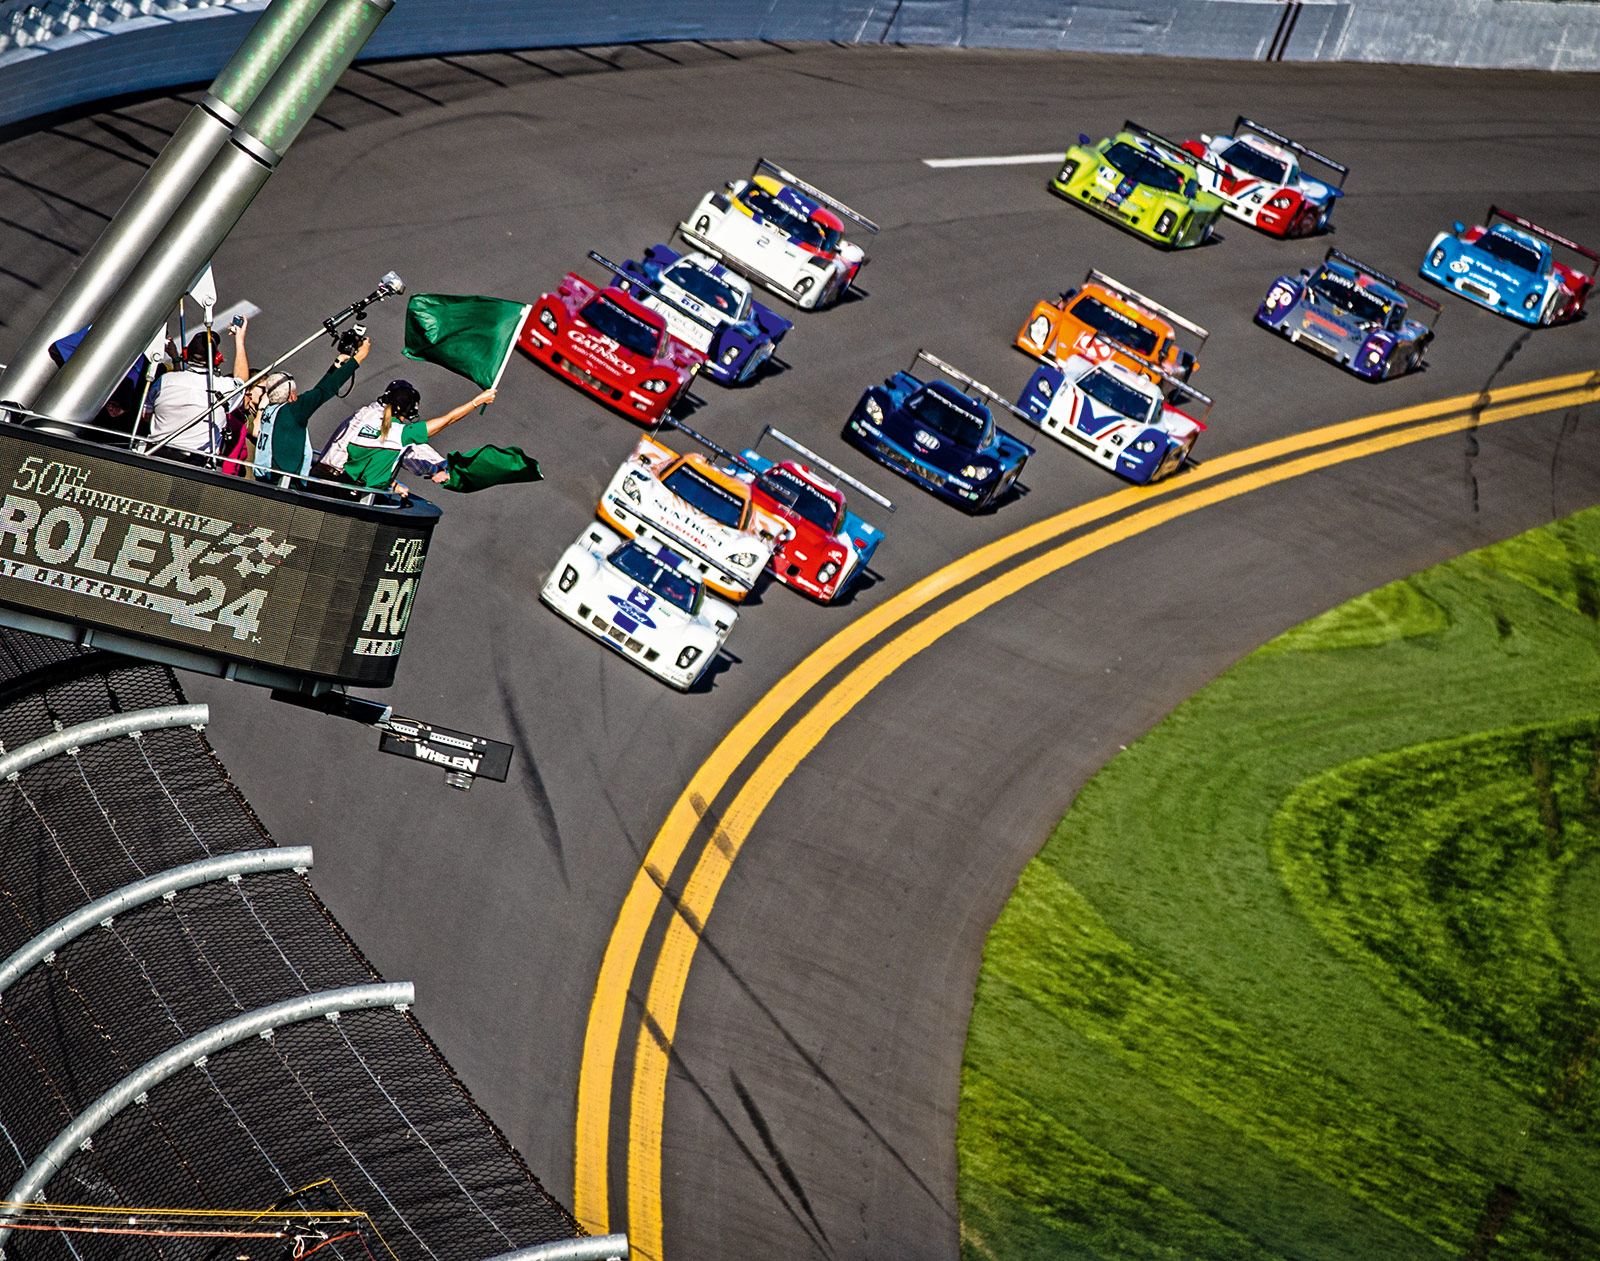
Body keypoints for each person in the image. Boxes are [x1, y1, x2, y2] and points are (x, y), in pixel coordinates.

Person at [318, 379, 496, 492]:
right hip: (339, 487)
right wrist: (438, 467)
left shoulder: (365, 414)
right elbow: (444, 422)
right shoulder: (396, 433)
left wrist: (393, 485)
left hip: (317, 476)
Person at [250, 335, 372, 479]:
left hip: (264, 476)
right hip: (282, 483)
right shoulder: (292, 411)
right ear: (292, 395)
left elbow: (318, 391)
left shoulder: (269, 410)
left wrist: (336, 366)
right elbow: (325, 390)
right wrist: (358, 358)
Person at [142, 320, 249, 464]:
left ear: (186, 353)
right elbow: (242, 380)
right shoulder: (224, 387)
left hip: (155, 457)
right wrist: (240, 341)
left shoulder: (164, 381)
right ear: (217, 359)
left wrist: (176, 359)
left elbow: (146, 416)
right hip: (195, 465)